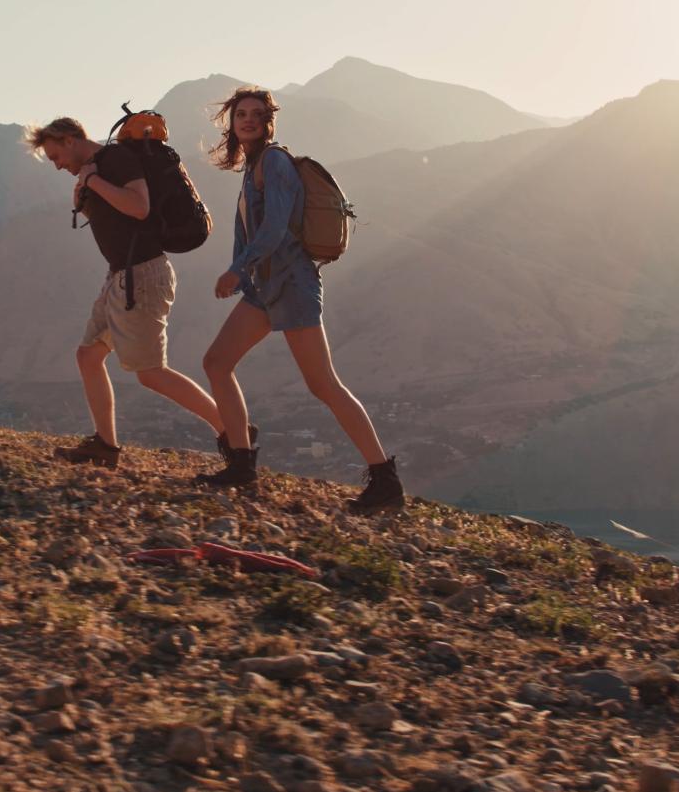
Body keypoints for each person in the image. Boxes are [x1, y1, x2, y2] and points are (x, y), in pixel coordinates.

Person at [193, 87, 404, 515]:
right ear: (231, 125)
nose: (248, 120)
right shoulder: (252, 166)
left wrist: (239, 268)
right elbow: (250, 230)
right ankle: (240, 462)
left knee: (323, 384)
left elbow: (273, 228)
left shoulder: (273, 162)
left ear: (269, 121)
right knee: (216, 362)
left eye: (256, 114)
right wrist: (241, 272)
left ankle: (384, 480)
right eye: (240, 115)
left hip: (291, 283)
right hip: (263, 288)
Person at [26, 117, 226, 467]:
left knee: (151, 373)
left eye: (56, 155)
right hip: (120, 278)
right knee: (88, 356)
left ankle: (232, 430)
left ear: (69, 139)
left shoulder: (116, 160)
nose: (58, 166)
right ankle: (105, 445)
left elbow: (139, 206)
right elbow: (118, 218)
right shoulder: (96, 170)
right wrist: (86, 194)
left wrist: (94, 181)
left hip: (143, 277)